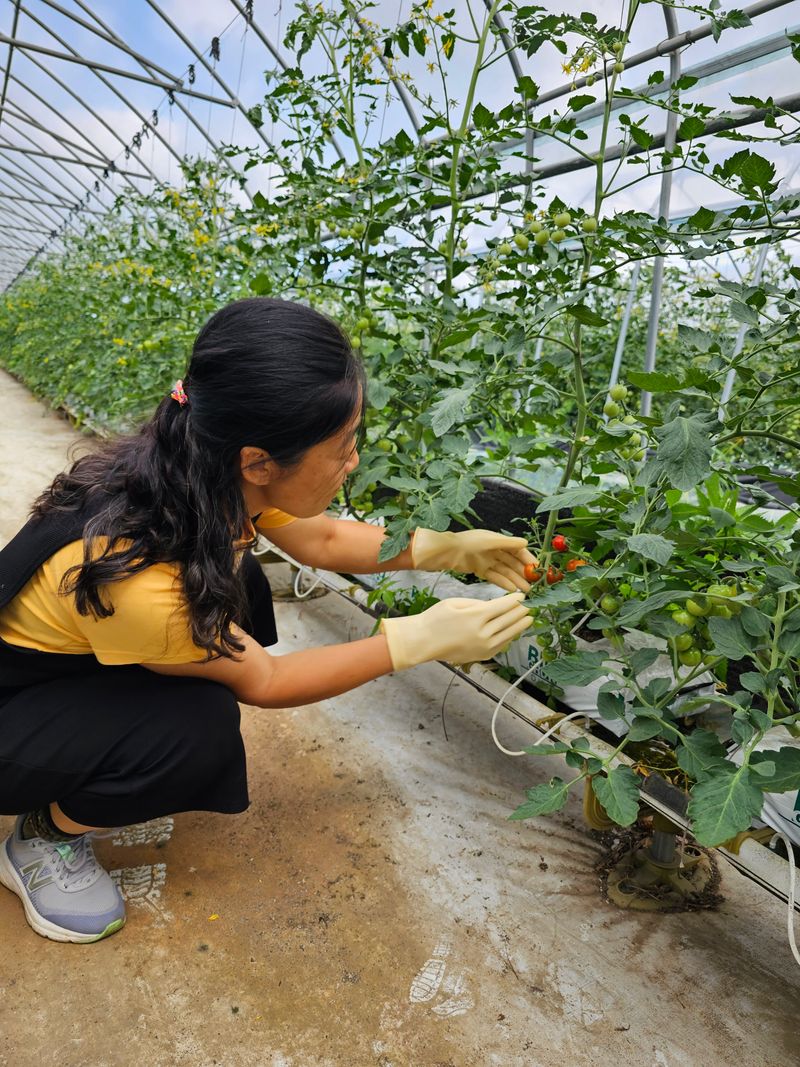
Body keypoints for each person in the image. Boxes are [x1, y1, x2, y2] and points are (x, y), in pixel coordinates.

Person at [0, 296, 536, 944]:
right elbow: (268, 682)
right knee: (197, 732)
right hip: (15, 706)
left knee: (237, 582)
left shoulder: (202, 466)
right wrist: (418, 637)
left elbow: (327, 543)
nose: (354, 461)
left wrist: (449, 547)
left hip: (64, 670)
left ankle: (92, 762)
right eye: (340, 447)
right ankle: (44, 834)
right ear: (259, 461)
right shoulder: (140, 577)